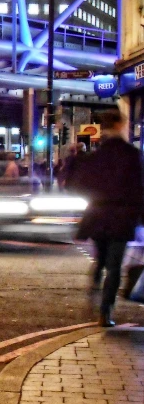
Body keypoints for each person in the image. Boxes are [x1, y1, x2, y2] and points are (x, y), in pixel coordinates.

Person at [75, 108, 144, 327]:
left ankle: (94, 288)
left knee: (101, 259)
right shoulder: (131, 154)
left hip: (98, 215)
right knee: (114, 266)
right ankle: (105, 313)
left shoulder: (96, 156)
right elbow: (139, 189)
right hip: (122, 217)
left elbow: (81, 184)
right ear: (118, 125)